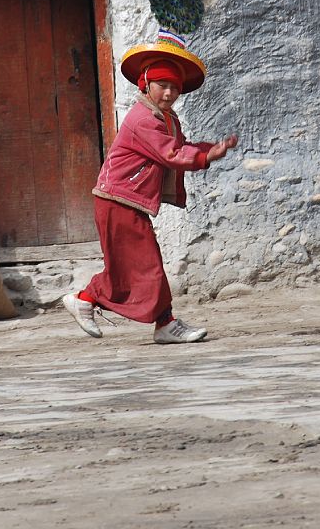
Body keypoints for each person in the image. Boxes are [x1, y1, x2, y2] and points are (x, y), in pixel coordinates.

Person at [63, 38, 237, 344]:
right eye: (161, 85)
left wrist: (212, 149)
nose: (169, 93)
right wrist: (205, 157)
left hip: (125, 202)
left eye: (175, 87)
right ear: (145, 85)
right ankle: (100, 302)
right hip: (116, 201)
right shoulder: (142, 119)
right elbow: (169, 154)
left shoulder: (166, 119)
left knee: (135, 266)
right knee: (147, 266)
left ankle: (111, 306)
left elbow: (180, 147)